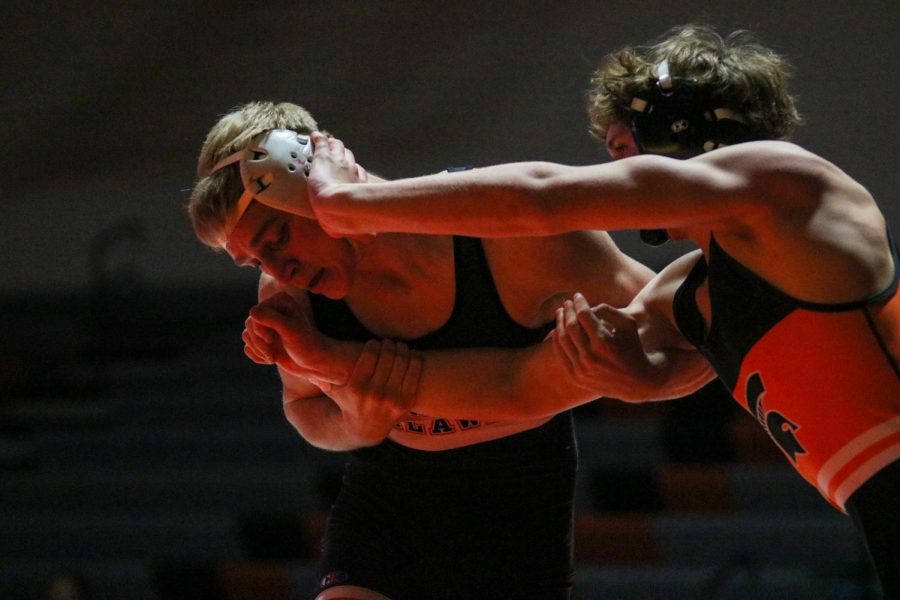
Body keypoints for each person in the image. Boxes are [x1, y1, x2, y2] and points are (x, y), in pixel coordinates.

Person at [304, 24, 900, 598]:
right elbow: (519, 387)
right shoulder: (686, 293)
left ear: (678, 130)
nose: (617, 173)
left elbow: (541, 201)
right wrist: (331, 363)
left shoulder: (787, 182)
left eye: (622, 150)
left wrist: (350, 204)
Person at [187, 101, 700, 600]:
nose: (278, 271)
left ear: (310, 181)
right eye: (254, 262)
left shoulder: (508, 235)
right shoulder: (289, 298)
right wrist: (357, 426)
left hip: (516, 504)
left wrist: (648, 378)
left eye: (277, 240)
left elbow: (689, 330)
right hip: (389, 500)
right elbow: (303, 407)